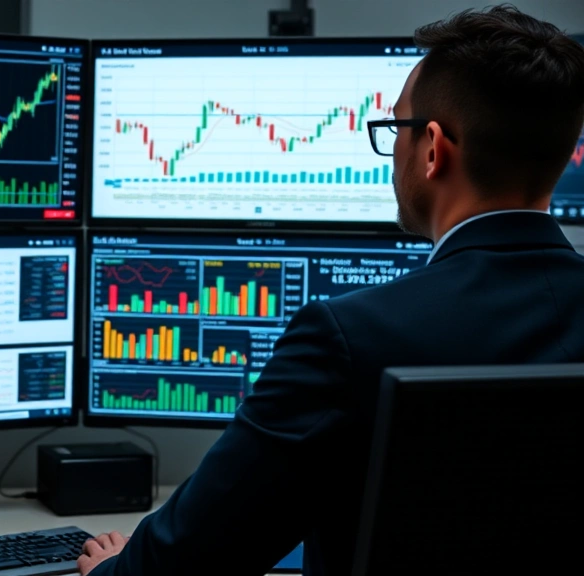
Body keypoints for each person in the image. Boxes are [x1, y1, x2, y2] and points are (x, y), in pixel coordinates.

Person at [77, 6, 584, 576]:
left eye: (397, 128)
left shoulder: (352, 336)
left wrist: (114, 570)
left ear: (434, 148)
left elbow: (184, 563)